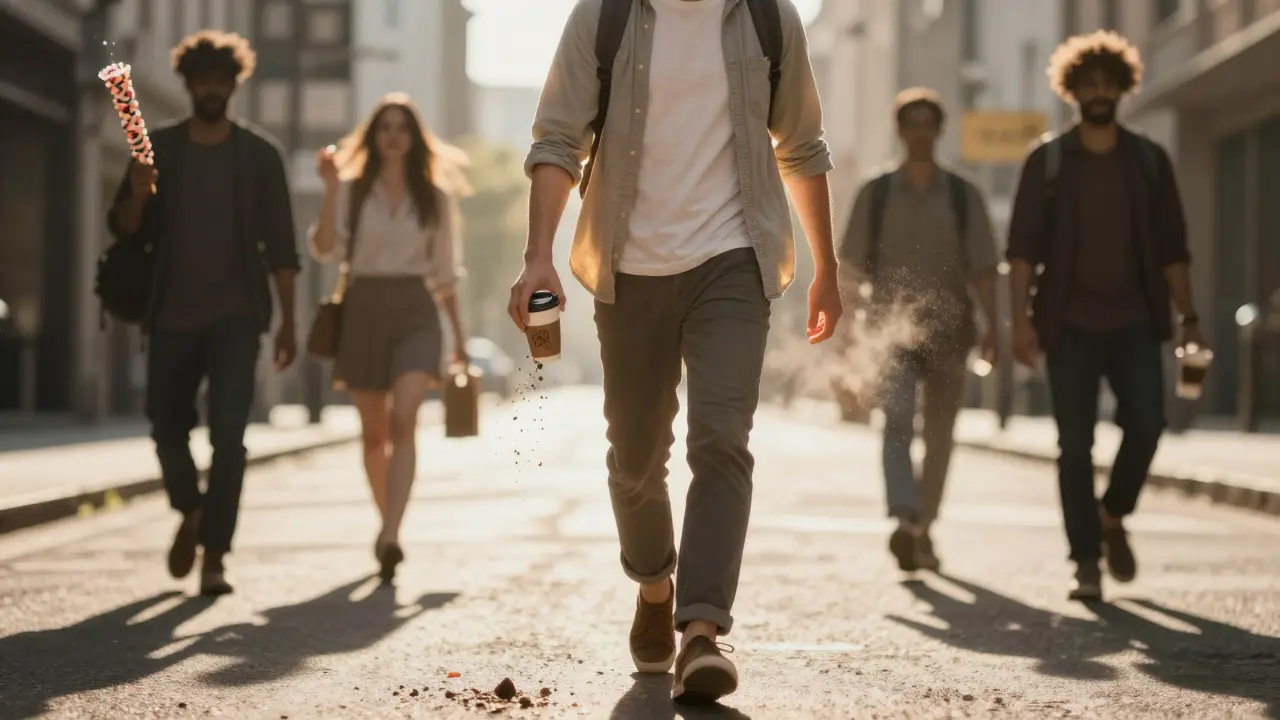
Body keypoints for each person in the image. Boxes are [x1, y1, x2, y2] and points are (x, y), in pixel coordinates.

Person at [511, 0, 840, 704]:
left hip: (734, 259)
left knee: (722, 438)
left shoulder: (766, 17)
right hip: (629, 267)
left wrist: (828, 271)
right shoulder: (604, 17)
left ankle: (701, 630)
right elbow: (556, 141)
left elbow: (803, 146)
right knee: (634, 461)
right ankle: (655, 584)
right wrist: (537, 257)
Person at [1007, 31, 1206, 601]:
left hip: (1136, 323)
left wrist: (1189, 315)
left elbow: (1173, 248)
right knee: (1075, 446)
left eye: (1107, 81)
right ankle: (1086, 561)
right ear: (1072, 89)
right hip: (1067, 325)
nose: (1098, 91)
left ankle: (1113, 513)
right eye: (1087, 82)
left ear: (1122, 88)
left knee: (1148, 422)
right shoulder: (1046, 162)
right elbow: (1020, 252)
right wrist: (1018, 322)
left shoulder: (1148, 161)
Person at [105, 30, 300, 596]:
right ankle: (190, 509)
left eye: (222, 80)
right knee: (165, 426)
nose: (211, 89)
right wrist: (139, 193)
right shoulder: (154, 148)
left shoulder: (261, 155)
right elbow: (121, 227)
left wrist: (289, 322)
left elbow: (283, 248)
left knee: (230, 437)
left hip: (238, 319)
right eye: (202, 80)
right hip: (169, 314)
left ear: (234, 84)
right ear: (188, 84)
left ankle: (215, 555)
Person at [309, 93, 470, 584]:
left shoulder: (434, 198)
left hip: (416, 312)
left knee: (405, 419)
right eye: (385, 127)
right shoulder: (354, 191)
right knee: (373, 433)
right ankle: (387, 525)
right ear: (374, 137)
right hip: (363, 308)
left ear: (414, 137)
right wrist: (332, 188)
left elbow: (445, 275)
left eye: (402, 127)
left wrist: (460, 340)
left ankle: (392, 533)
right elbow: (323, 250)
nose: (394, 135)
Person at [838, 88, 999, 574]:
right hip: (891, 334)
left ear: (940, 131)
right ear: (900, 129)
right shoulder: (878, 191)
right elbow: (850, 268)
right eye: (913, 123)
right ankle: (906, 517)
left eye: (930, 123)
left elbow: (985, 270)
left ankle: (923, 526)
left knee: (941, 435)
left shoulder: (962, 195)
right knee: (898, 420)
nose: (921, 133)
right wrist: (847, 332)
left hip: (952, 333)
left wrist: (996, 327)